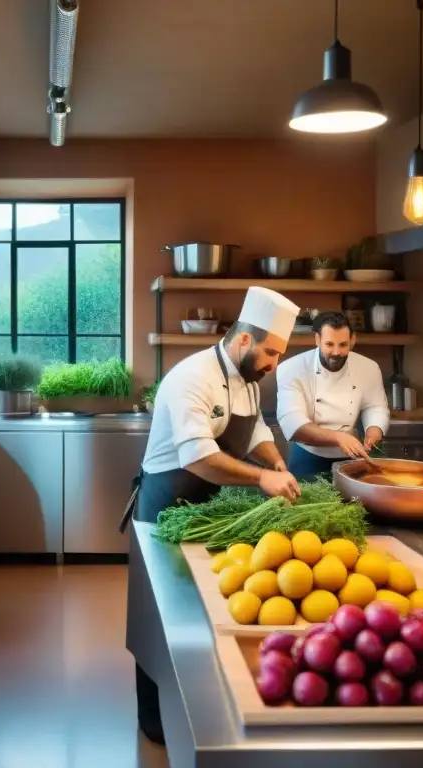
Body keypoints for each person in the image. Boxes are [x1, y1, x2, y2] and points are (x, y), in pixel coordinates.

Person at [120, 285, 301, 744]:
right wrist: (261, 479)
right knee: (160, 618)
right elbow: (199, 457)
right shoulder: (191, 377)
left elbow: (255, 426)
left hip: (213, 509)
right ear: (244, 340)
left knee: (206, 612)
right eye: (271, 353)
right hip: (166, 506)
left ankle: (203, 712)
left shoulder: (246, 378)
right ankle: (153, 720)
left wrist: (274, 459)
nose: (273, 364)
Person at [275, 311, 390, 480]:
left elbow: (375, 406)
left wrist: (374, 430)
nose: (336, 352)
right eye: (329, 344)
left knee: (354, 503)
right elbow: (293, 423)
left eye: (343, 345)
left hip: (351, 455)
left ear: (353, 340)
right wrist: (338, 438)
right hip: (307, 455)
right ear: (317, 340)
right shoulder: (292, 368)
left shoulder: (368, 367)